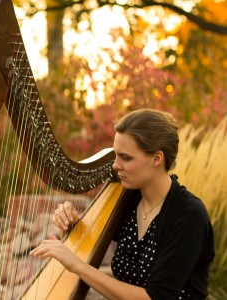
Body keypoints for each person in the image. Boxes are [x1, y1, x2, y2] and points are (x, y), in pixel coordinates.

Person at [30, 108, 215, 300]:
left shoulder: (188, 215)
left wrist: (77, 266)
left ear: (157, 158)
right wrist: (72, 225)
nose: (115, 165)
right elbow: (90, 244)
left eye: (126, 157)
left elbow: (155, 297)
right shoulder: (129, 199)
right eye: (116, 155)